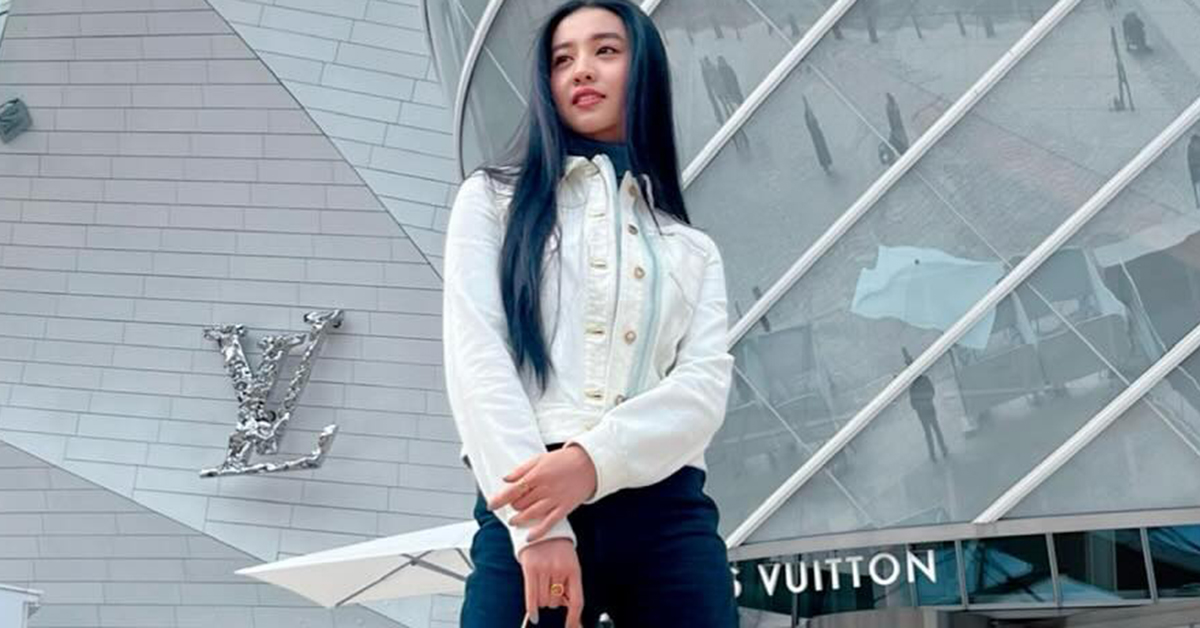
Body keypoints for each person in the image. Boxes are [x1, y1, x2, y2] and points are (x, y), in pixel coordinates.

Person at [442, 2, 739, 626]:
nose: (581, 70)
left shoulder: (690, 248)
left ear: (644, 70)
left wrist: (592, 461)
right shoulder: (492, 202)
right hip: (528, 494)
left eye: (605, 51)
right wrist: (539, 529)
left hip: (666, 513)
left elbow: (703, 388)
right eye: (562, 59)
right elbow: (477, 357)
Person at [902, 347, 948, 462]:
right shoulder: (923, 380)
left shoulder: (913, 386)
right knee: (936, 430)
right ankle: (942, 450)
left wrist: (919, 406)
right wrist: (927, 401)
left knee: (929, 433)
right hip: (929, 409)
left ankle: (933, 454)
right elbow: (931, 392)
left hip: (923, 412)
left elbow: (913, 403)